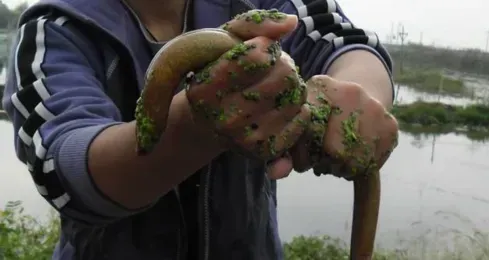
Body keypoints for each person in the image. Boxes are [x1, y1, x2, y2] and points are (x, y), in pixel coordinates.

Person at [2, 0, 398, 259]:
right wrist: (193, 128)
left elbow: (344, 41)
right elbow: (63, 168)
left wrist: (356, 99)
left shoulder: (264, 3)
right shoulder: (53, 31)